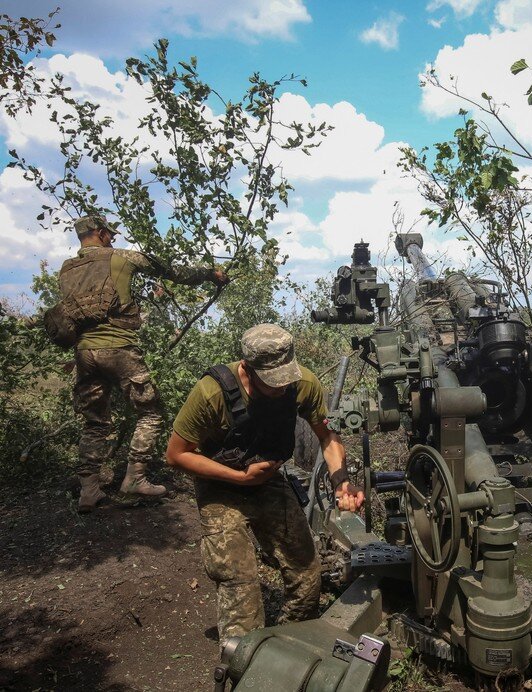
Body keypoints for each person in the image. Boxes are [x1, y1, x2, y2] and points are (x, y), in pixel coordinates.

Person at [165, 323, 364, 646]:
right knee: (239, 583)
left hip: (269, 481)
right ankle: (243, 664)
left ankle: (291, 643)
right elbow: (176, 455)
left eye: (287, 378)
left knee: (306, 570)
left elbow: (327, 435)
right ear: (247, 368)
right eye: (273, 383)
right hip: (220, 486)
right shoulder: (211, 392)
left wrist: (341, 481)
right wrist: (240, 477)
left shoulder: (303, 384)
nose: (282, 388)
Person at [63, 215, 228, 513]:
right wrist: (209, 274)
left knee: (94, 421)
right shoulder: (122, 257)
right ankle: (135, 478)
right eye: (109, 235)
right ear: (100, 233)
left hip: (84, 352)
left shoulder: (67, 269)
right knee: (150, 412)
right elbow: (171, 270)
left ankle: (88, 491)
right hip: (118, 348)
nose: (112, 239)